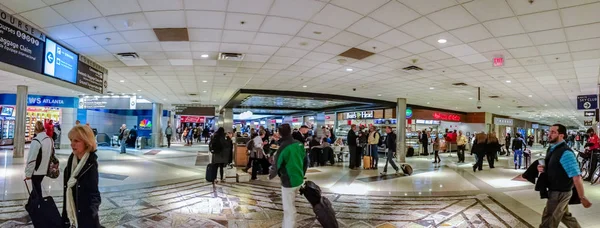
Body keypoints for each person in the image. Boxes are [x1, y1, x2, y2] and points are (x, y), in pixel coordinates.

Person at [538, 124, 591, 227]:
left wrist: (582, 197)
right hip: (554, 189)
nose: (549, 134)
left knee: (549, 218)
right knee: (564, 216)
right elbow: (555, 167)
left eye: (553, 132)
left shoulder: (566, 153)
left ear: (561, 135)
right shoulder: (552, 149)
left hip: (560, 192)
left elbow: (576, 176)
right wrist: (544, 169)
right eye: (549, 132)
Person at [268, 124, 307, 228]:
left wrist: (270, 175)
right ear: (290, 131)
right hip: (299, 179)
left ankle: (290, 226)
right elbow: (306, 160)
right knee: (290, 206)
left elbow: (276, 165)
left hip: (289, 181)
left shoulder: (283, 148)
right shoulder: (298, 144)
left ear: (279, 133)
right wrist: (302, 173)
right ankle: (286, 225)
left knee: (289, 208)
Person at [62, 125, 101, 227]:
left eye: (76, 141)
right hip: (71, 216)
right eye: (71, 140)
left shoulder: (90, 164)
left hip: (86, 219)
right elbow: (67, 190)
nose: (72, 144)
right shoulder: (71, 161)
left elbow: (95, 194)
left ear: (86, 143)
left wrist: (91, 212)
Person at [24, 121, 54, 200]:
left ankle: (39, 206)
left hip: (36, 171)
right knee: (36, 188)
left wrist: (28, 173)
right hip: (45, 169)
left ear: (35, 129)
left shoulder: (36, 141)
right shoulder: (49, 140)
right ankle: (30, 205)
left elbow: (32, 158)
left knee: (37, 190)